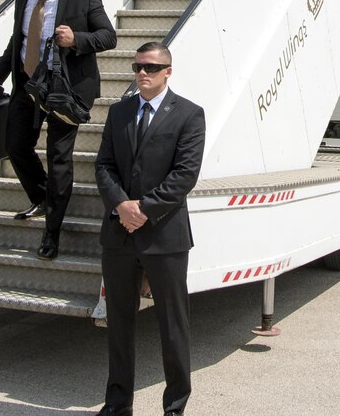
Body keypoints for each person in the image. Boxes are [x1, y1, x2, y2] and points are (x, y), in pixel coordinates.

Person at [0, 0, 116, 261]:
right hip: (28, 86)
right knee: (15, 146)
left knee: (58, 159)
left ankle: (51, 233)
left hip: (65, 91)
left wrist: (76, 40)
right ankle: (42, 198)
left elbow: (108, 37)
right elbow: (18, 42)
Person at [94, 42, 206, 416]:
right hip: (119, 234)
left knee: (173, 326)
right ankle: (117, 404)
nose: (143, 73)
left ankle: (174, 407)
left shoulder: (189, 115)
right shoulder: (120, 112)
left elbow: (184, 175)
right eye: (138, 66)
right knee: (119, 326)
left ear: (168, 72)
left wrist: (143, 209)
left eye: (152, 68)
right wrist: (121, 205)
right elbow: (104, 166)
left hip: (165, 236)